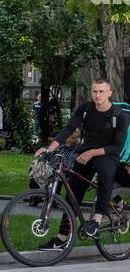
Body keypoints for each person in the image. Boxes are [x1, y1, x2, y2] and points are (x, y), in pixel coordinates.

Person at [35, 79, 130, 245]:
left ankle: (96, 220)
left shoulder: (119, 116)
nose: (97, 95)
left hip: (107, 153)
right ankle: (62, 238)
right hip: (85, 153)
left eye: (101, 91)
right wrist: (49, 149)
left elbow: (117, 147)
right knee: (73, 193)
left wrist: (92, 152)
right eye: (95, 91)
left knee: (105, 176)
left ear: (109, 93)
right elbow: (69, 129)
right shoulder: (86, 109)